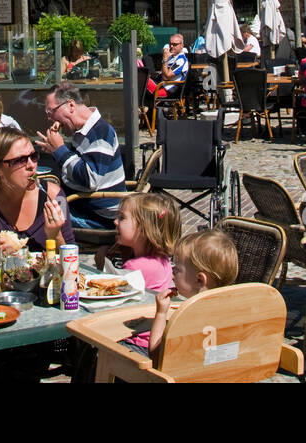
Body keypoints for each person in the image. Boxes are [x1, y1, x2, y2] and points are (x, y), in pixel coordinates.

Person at [0, 127, 72, 252]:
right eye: (20, 160)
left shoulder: (56, 195)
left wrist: (55, 235)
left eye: (33, 156)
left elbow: (71, 259)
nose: (31, 165)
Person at [94, 194, 180, 352]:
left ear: (143, 229)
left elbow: (108, 296)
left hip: (137, 340)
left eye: (122, 218)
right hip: (150, 334)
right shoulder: (161, 259)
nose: (115, 222)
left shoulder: (137, 267)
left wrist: (101, 262)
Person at [34, 81, 126, 228]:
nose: (49, 118)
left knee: (38, 207)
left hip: (99, 218)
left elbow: (89, 179)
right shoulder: (81, 132)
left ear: (70, 105)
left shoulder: (99, 132)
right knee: (37, 189)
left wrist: (60, 150)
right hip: (83, 206)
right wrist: (55, 152)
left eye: (51, 111)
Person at [148, 229, 238, 358]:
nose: (172, 276)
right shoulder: (236, 310)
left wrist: (161, 313)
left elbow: (155, 355)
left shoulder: (188, 317)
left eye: (177, 270)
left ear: (199, 280)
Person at [149, 33, 188, 98]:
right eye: (170, 44)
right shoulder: (171, 57)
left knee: (140, 82)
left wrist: (165, 59)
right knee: (141, 80)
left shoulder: (181, 60)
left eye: (175, 44)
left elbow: (166, 77)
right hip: (160, 85)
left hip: (168, 90)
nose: (172, 46)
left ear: (182, 45)